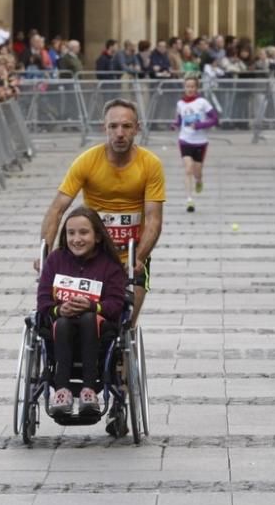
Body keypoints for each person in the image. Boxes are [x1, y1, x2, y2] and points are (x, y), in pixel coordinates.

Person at [39, 97, 165, 330]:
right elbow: (57, 210)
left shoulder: (150, 164)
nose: (119, 133)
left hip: (131, 256)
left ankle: (122, 362)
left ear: (137, 129)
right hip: (93, 258)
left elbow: (154, 219)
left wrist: (139, 257)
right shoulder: (87, 161)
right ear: (104, 128)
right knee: (74, 319)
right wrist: (45, 252)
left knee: (124, 328)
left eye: (126, 126)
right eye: (113, 126)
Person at [37, 206, 128, 415]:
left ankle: (89, 389)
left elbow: (116, 304)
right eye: (71, 233)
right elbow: (42, 301)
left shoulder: (110, 266)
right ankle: (62, 390)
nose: (76, 239)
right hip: (59, 327)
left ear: (97, 236)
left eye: (83, 232)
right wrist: (60, 310)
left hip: (98, 330)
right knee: (64, 322)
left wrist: (93, 306)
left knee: (87, 318)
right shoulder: (55, 260)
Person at [175, 76, 218, 212]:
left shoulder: (202, 102)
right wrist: (174, 124)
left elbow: (215, 119)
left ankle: (199, 181)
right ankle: (189, 200)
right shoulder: (180, 103)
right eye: (187, 86)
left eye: (192, 87)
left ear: (196, 88)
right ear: (184, 88)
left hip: (200, 142)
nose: (190, 89)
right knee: (188, 168)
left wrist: (200, 125)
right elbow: (180, 119)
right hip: (185, 140)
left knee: (197, 172)